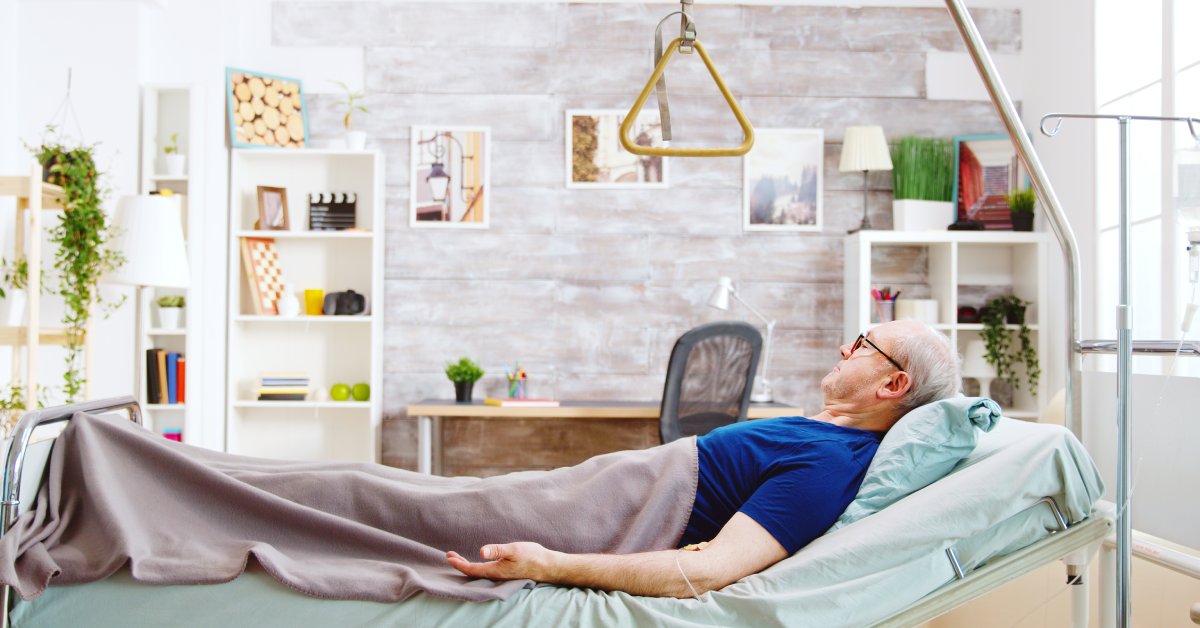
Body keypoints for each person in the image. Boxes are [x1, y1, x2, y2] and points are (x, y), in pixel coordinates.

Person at [447, 320, 961, 598]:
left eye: (863, 344)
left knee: (399, 504)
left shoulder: (829, 463)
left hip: (617, 510)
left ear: (893, 384)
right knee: (426, 494)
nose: (844, 348)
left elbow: (710, 569)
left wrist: (550, 565)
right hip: (597, 485)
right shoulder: (819, 431)